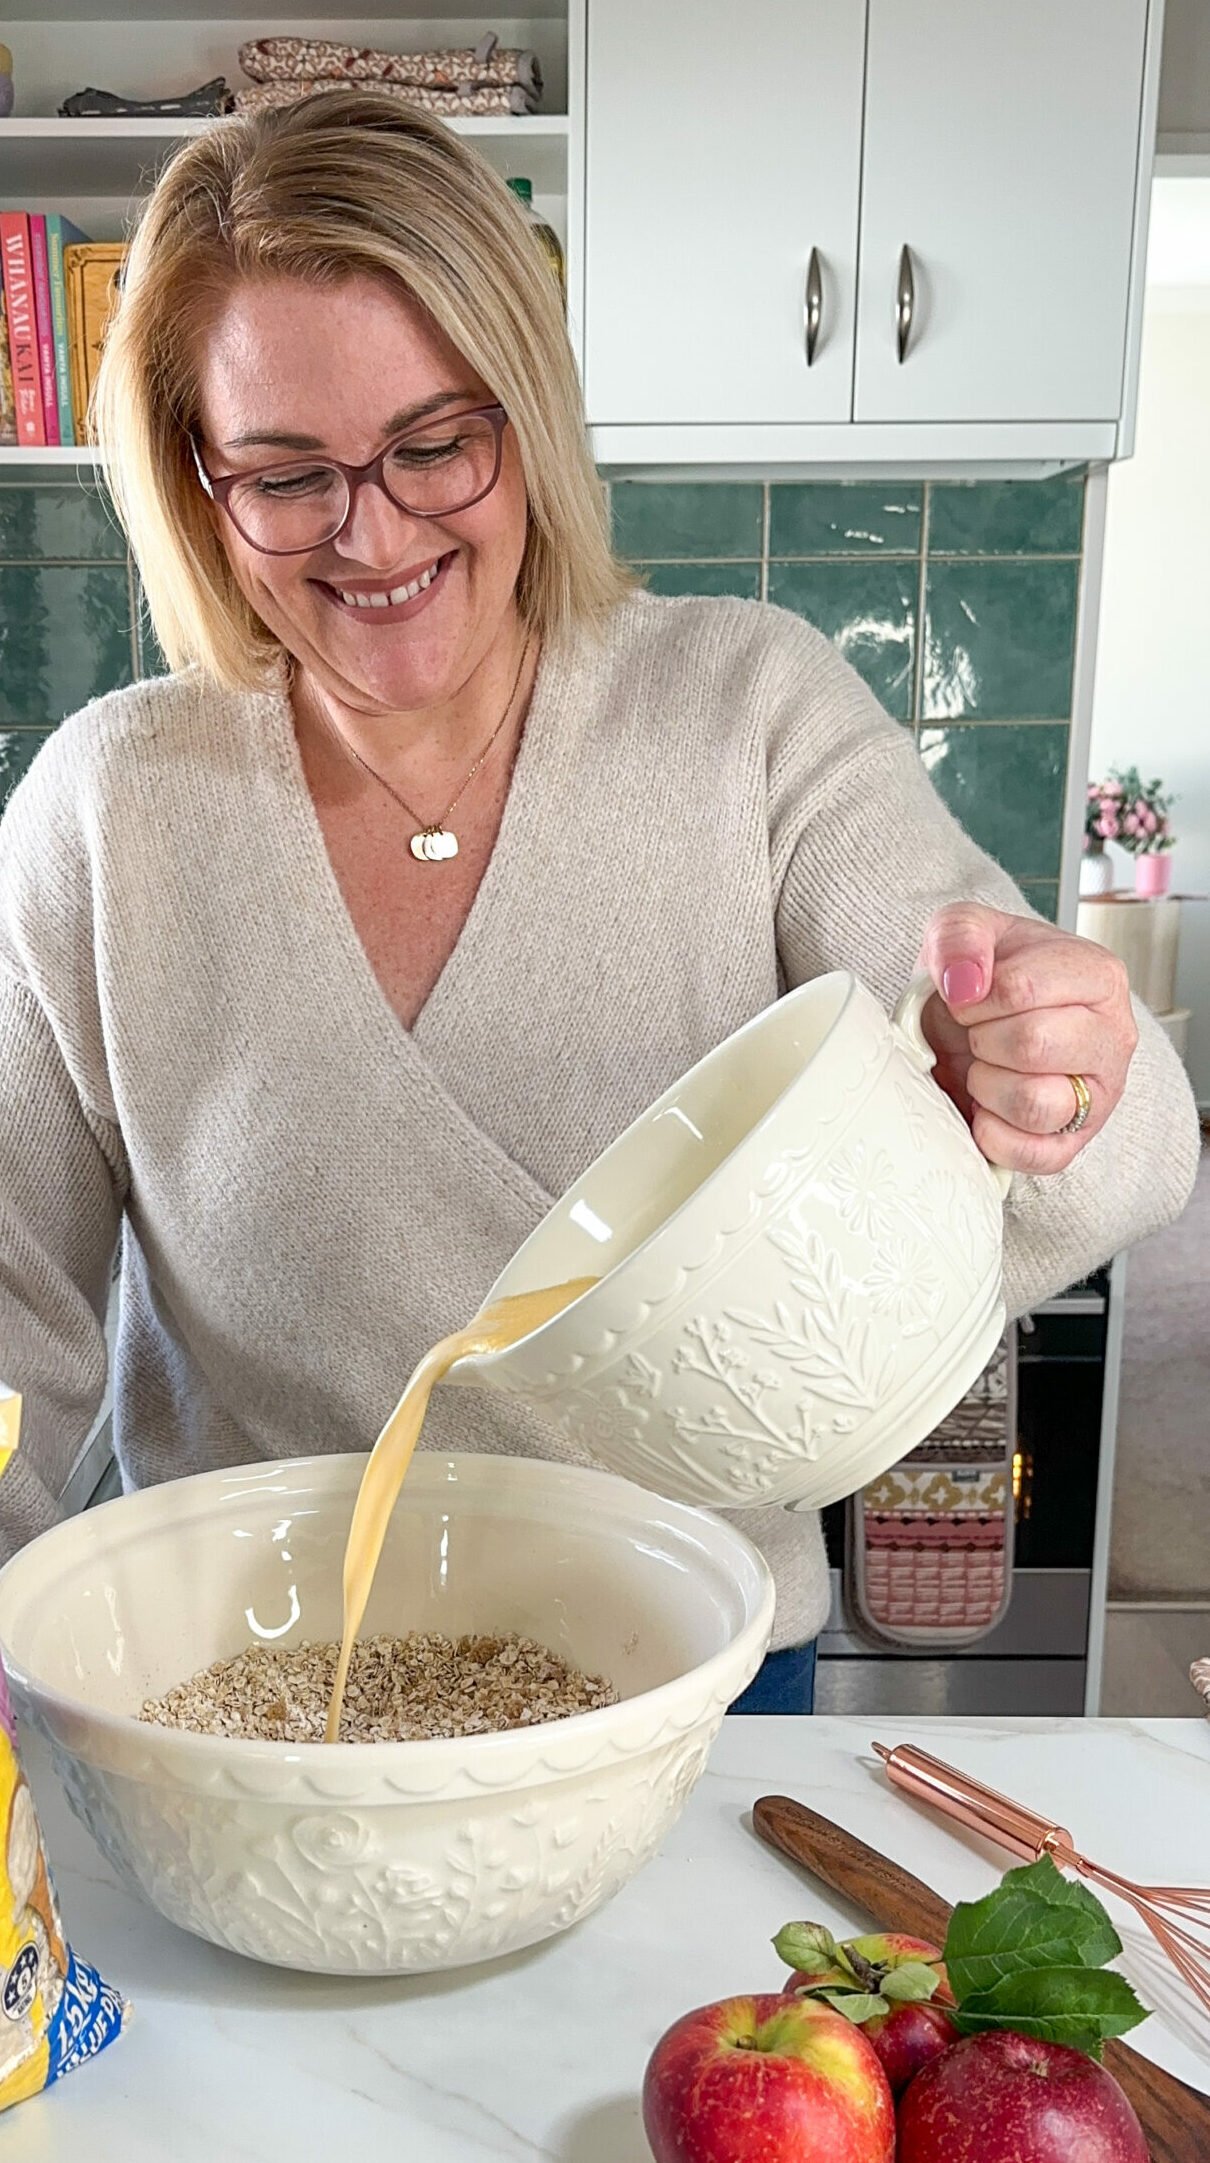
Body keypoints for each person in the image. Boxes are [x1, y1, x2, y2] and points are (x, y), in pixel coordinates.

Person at [0, 95, 1198, 1716]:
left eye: (435, 443)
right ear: (197, 485)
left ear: (532, 413)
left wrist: (1047, 1071)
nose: (374, 532)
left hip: (681, 1701)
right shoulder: (103, 812)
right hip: (245, 1712)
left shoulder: (749, 715)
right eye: (287, 476)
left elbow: (1099, 1172)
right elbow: (14, 1330)